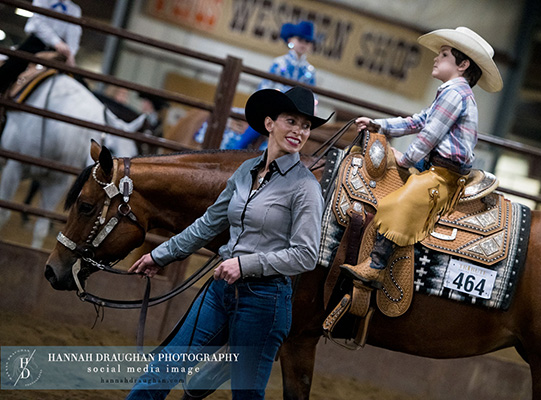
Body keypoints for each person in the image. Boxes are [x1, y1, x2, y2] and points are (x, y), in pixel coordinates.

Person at [126, 86, 331, 399]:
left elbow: (305, 255)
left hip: (265, 301)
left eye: (305, 126)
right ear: (270, 123)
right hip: (219, 292)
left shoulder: (305, 189)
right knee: (161, 371)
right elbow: (210, 223)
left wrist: (244, 264)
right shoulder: (246, 171)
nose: (299, 131)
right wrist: (161, 255)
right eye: (291, 121)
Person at [340, 27, 503, 288]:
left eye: (445, 54)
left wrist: (405, 160)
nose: (437, 58)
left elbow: (429, 135)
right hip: (436, 169)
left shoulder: (455, 94)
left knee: (403, 199)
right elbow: (418, 120)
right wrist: (378, 125)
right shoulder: (451, 92)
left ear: (462, 64)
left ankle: (376, 266)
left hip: (444, 175)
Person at [220, 20, 318, 150]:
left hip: (296, 112)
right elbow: (266, 86)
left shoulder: (310, 71)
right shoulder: (279, 63)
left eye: (307, 41)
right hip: (274, 107)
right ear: (291, 40)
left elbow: (313, 96)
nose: (304, 44)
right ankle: (237, 150)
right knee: (255, 129)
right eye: (300, 40)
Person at [0, 0, 82, 93]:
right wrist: (56, 42)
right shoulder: (43, 0)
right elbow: (38, 22)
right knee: (12, 66)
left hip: (58, 50)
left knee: (77, 78)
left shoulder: (74, 9)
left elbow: (74, 33)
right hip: (36, 42)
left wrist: (71, 53)